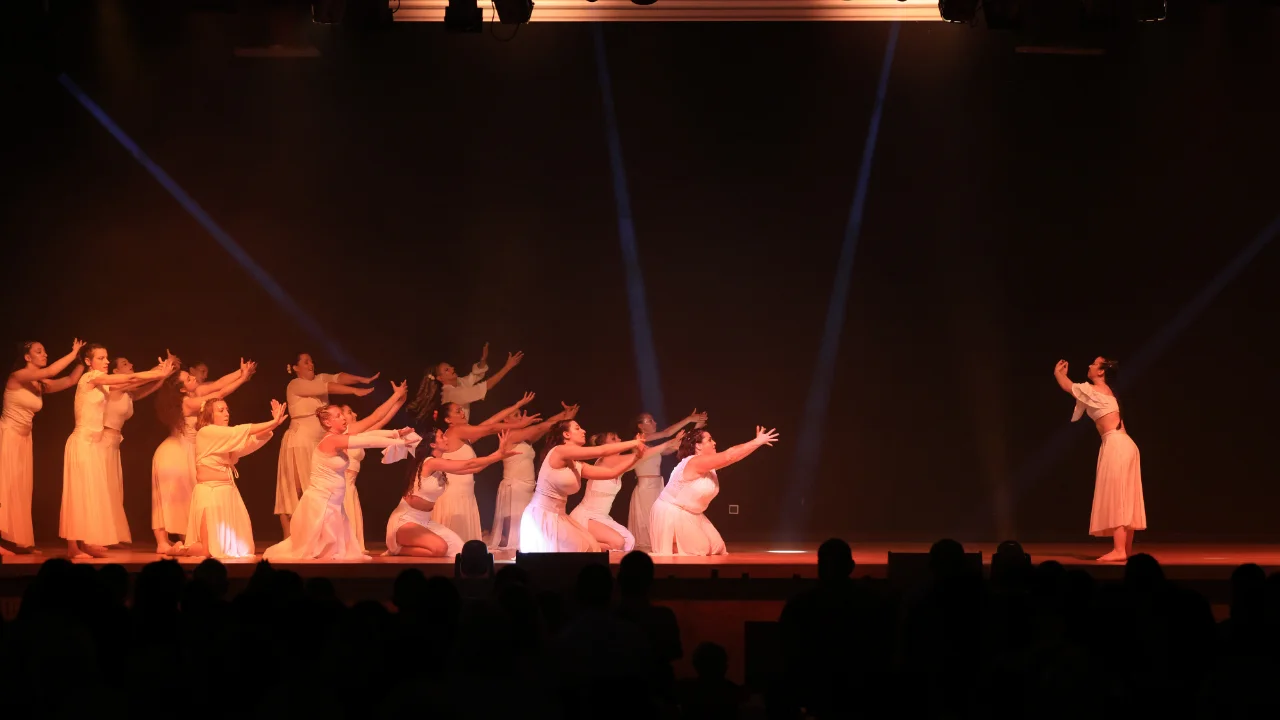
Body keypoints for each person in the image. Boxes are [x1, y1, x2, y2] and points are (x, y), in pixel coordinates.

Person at [262, 390, 414, 562]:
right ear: (328, 422)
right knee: (318, 553)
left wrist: (396, 433)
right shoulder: (331, 440)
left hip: (333, 503)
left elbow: (368, 435)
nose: (343, 418)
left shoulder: (339, 437)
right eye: (338, 416)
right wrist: (399, 442)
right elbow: (368, 442)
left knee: (334, 553)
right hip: (321, 505)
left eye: (342, 415)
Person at [62, 346, 173, 558]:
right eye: (101, 358)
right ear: (88, 362)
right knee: (78, 494)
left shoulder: (103, 383)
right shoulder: (90, 378)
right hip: (82, 442)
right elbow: (131, 378)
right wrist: (159, 373)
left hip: (94, 444)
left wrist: (160, 373)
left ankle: (86, 543)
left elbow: (132, 383)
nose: (106, 361)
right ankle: (73, 547)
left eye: (106, 358)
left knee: (91, 494)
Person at [151, 357, 256, 552]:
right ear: (183, 389)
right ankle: (163, 542)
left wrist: (241, 371)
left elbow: (218, 384)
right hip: (176, 452)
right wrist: (242, 379)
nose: (194, 379)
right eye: (188, 379)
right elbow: (219, 394)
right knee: (173, 496)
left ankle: (187, 540)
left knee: (187, 497)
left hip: (187, 450)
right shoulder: (187, 402)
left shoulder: (195, 392)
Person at [170, 397, 289, 559]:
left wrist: (273, 425)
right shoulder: (206, 432)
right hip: (210, 494)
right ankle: (177, 549)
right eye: (221, 410)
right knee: (207, 551)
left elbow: (250, 441)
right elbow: (241, 431)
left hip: (228, 493)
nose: (226, 413)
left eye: (227, 410)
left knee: (243, 549)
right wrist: (272, 422)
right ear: (209, 415)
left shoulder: (225, 440)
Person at [275, 352, 378, 537]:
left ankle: (315, 535)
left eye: (311, 361)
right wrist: (354, 391)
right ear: (296, 367)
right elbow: (328, 387)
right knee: (295, 491)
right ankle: (289, 537)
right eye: (305, 362)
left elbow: (338, 378)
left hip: (319, 444)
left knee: (318, 490)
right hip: (300, 442)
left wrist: (362, 379)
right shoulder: (296, 384)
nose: (311, 364)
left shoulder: (319, 378)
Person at [1054, 357, 1146, 562]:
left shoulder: (1094, 391)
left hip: (1116, 445)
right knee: (1125, 496)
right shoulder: (1107, 393)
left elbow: (1068, 386)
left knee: (1118, 495)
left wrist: (1058, 373)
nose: (1089, 366)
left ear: (1101, 372)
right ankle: (1124, 550)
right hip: (1125, 444)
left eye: (1094, 364)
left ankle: (1120, 550)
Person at [0, 339, 85, 555]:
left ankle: (16, 541)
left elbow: (70, 380)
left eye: (45, 351)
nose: (44, 354)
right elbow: (52, 370)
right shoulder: (18, 376)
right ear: (27, 357)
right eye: (39, 351)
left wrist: (82, 361)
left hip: (24, 439)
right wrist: (73, 352)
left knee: (19, 489)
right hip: (7, 436)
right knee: (4, 487)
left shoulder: (39, 384)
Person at [427, 393, 541, 541]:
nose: (462, 413)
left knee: (462, 543)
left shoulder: (463, 435)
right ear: (448, 420)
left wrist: (517, 405)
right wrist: (518, 425)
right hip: (454, 496)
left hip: (465, 495)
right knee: (454, 543)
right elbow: (490, 428)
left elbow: (490, 422)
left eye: (462, 409)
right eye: (457, 411)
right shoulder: (456, 430)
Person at [650, 426, 779, 556]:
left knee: (718, 547)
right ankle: (670, 543)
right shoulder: (695, 461)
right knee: (701, 550)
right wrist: (756, 442)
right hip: (672, 512)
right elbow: (729, 456)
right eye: (710, 440)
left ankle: (681, 542)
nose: (714, 443)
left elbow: (733, 457)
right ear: (698, 446)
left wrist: (756, 444)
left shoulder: (708, 465)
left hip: (692, 513)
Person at [520, 420, 648, 553]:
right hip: (543, 515)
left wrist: (636, 457)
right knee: (580, 550)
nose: (583, 431)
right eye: (577, 428)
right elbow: (602, 450)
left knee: (591, 546)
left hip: (560, 516)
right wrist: (634, 443)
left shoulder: (577, 465)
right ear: (566, 434)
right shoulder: (559, 451)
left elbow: (611, 473)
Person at [386, 430, 518, 557]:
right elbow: (469, 464)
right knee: (440, 548)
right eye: (442, 436)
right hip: (406, 519)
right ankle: (397, 549)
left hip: (425, 521)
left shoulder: (440, 464)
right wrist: (499, 455)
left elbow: (474, 468)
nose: (446, 438)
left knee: (459, 549)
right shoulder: (430, 462)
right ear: (433, 444)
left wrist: (498, 454)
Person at [571, 430, 683, 552]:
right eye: (614, 439)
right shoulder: (606, 460)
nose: (619, 440)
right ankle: (580, 544)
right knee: (618, 542)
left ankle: (586, 545)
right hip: (586, 516)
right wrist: (667, 444)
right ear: (605, 446)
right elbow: (643, 456)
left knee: (629, 541)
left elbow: (640, 459)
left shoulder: (618, 465)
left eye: (618, 438)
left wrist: (669, 446)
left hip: (601, 517)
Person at [489, 401, 580, 551]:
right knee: (513, 535)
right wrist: (565, 420)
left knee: (524, 532)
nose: (521, 417)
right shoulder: (510, 435)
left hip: (528, 486)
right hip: (515, 487)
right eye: (516, 415)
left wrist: (564, 415)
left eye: (520, 414)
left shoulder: (525, 439)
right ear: (506, 419)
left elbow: (545, 426)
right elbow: (540, 427)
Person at [103, 355, 173, 546]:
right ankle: (99, 536)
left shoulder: (127, 393)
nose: (131, 364)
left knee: (113, 490)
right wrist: (160, 370)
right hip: (103, 441)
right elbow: (137, 379)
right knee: (103, 488)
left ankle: (108, 535)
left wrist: (163, 374)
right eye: (125, 364)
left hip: (114, 443)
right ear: (115, 372)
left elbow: (149, 387)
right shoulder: (114, 385)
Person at [339, 382, 408, 554]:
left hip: (350, 486)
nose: (355, 414)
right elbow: (376, 416)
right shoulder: (345, 433)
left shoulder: (357, 434)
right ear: (340, 418)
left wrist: (399, 401)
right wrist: (395, 396)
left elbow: (382, 420)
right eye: (349, 412)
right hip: (341, 486)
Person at [627, 410, 707, 551]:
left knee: (659, 517)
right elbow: (667, 433)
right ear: (640, 426)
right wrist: (689, 419)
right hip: (646, 487)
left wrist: (695, 429)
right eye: (650, 421)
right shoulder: (638, 440)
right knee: (649, 519)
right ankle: (651, 547)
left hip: (657, 484)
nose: (655, 423)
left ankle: (660, 544)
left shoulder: (650, 446)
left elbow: (675, 446)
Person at [407, 343, 524, 424]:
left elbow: (474, 376)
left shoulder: (460, 383)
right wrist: (507, 367)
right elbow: (486, 386)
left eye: (450, 367)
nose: (452, 369)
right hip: (455, 434)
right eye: (446, 370)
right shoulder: (451, 393)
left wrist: (483, 360)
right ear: (440, 378)